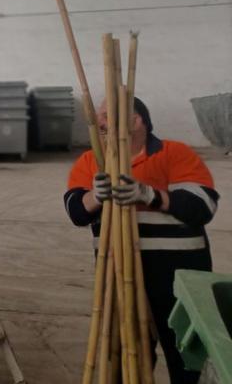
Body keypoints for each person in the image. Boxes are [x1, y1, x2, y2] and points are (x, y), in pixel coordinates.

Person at [64, 97, 218, 384]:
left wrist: (150, 195)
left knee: (186, 359)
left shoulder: (174, 153)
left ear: (136, 121)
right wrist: (95, 197)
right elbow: (75, 211)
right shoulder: (91, 161)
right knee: (126, 360)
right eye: (99, 116)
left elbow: (203, 206)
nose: (99, 122)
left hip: (178, 277)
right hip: (119, 277)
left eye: (107, 115)